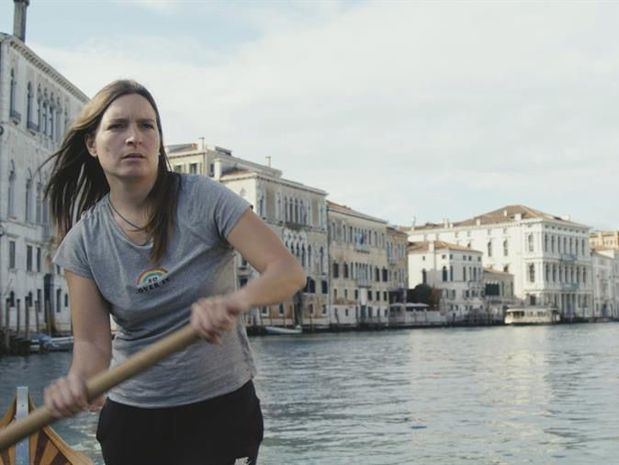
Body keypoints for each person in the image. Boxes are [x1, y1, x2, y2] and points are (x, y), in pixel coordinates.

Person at [42, 79, 306, 465]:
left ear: (159, 141)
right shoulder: (83, 243)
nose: (134, 137)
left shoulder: (203, 198)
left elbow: (288, 271)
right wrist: (79, 383)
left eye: (147, 126)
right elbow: (93, 346)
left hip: (221, 410)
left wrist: (234, 302)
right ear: (92, 145)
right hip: (133, 421)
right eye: (118, 126)